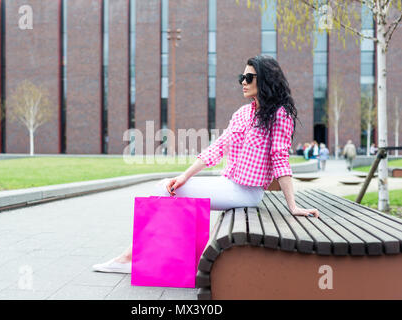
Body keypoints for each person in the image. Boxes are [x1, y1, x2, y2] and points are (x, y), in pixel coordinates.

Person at [92, 55, 320, 274]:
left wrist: (293, 206)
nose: (243, 82)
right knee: (168, 187)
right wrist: (184, 176)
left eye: (249, 78)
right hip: (228, 184)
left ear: (265, 80)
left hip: (247, 192)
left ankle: (131, 258)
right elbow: (217, 148)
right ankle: (144, 258)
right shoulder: (243, 113)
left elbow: (280, 159)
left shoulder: (279, 115)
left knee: (163, 190)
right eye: (241, 77)